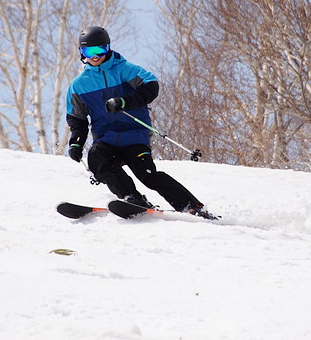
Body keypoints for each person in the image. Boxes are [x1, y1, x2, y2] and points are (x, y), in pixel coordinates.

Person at [65, 26, 215, 219]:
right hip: (106, 140)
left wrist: (124, 101)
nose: (95, 56)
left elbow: (151, 86)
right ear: (81, 53)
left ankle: (191, 205)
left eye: (99, 50)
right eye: (89, 51)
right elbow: (77, 119)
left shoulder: (125, 70)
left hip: (134, 135)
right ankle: (132, 198)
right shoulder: (78, 85)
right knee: (97, 159)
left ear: (108, 48)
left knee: (147, 174)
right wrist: (76, 141)